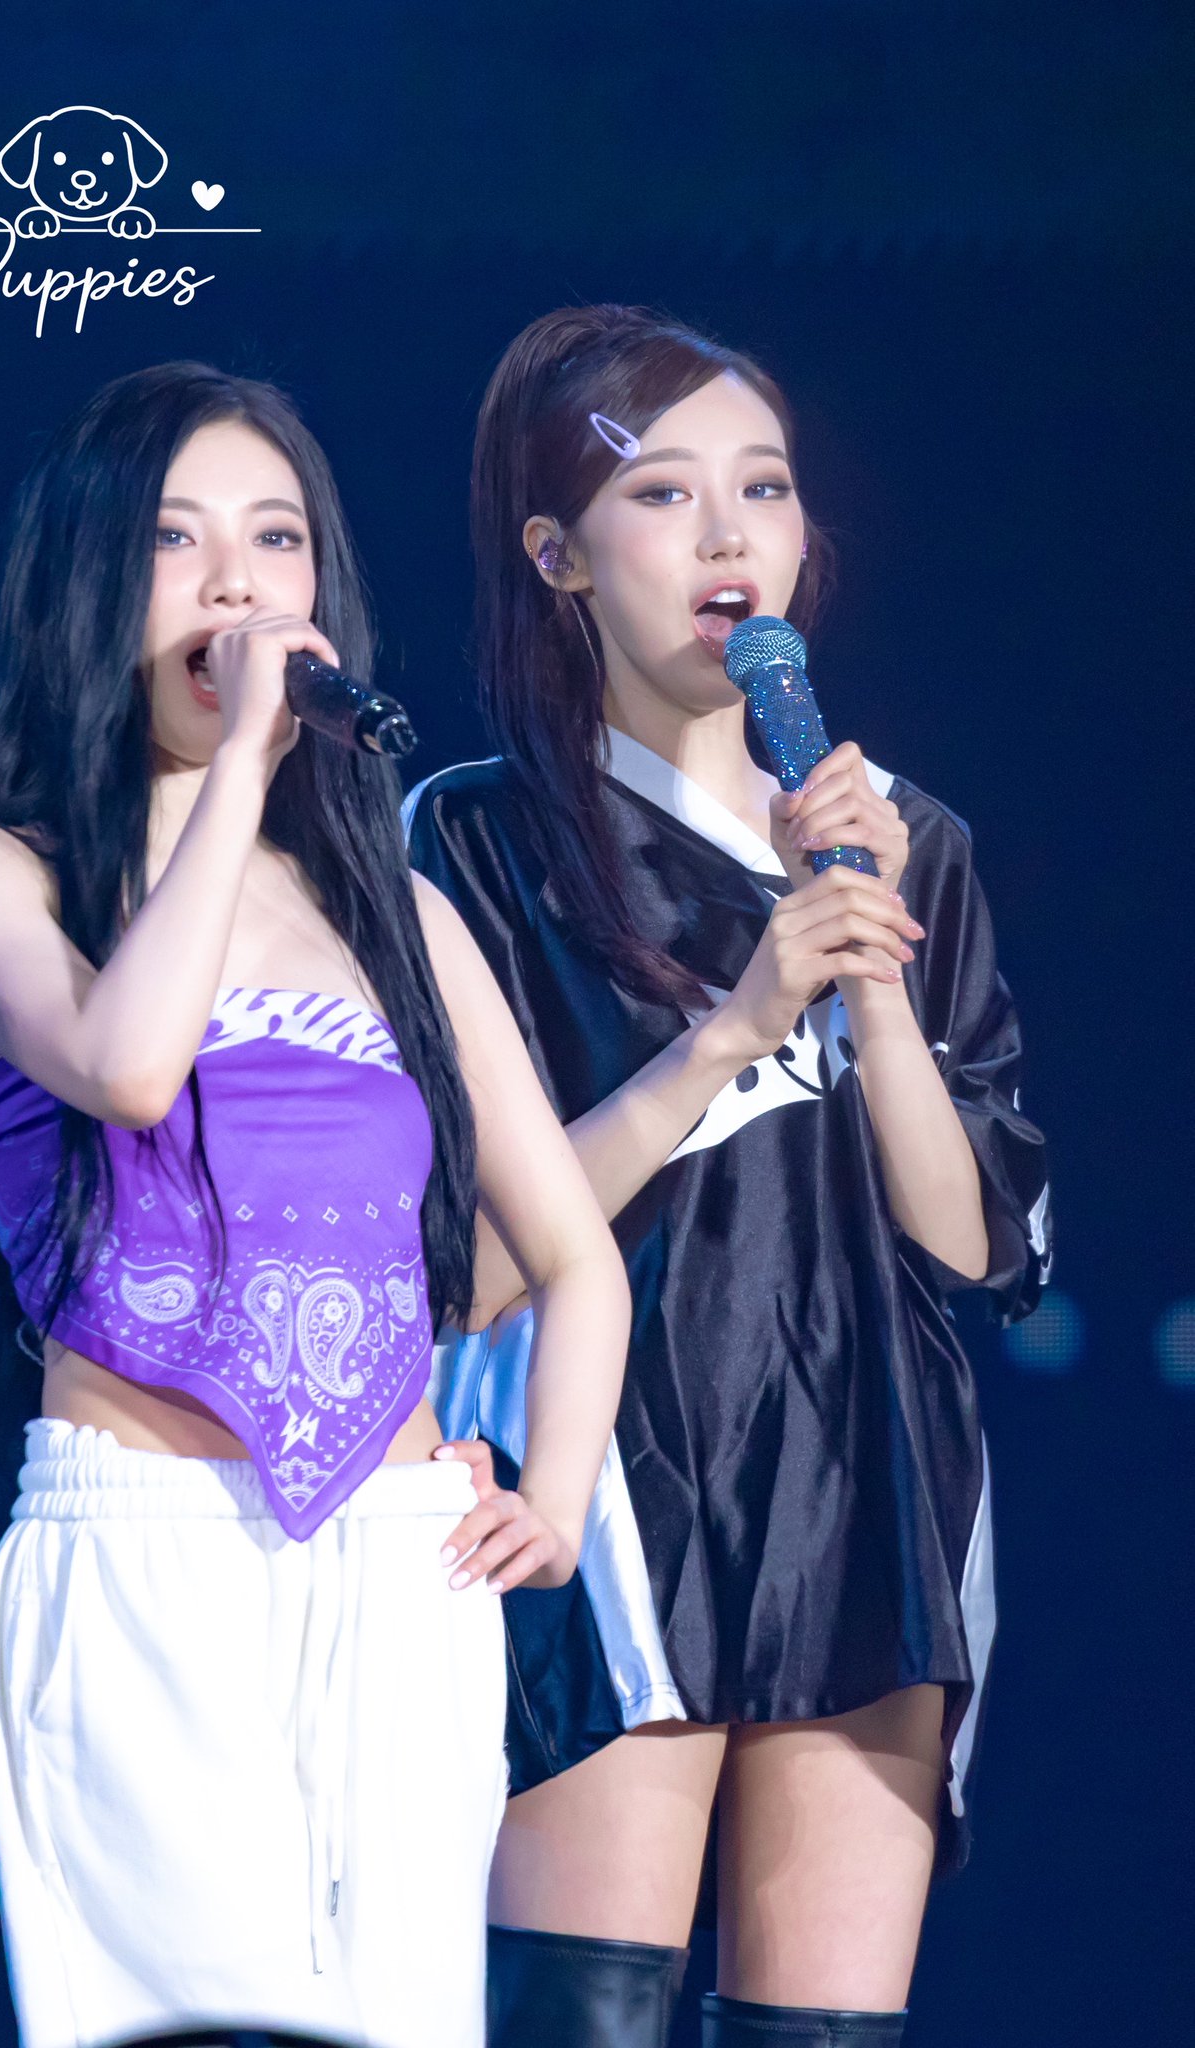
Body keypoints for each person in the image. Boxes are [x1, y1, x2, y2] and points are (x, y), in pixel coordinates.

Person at [0, 360, 629, 2048]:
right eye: (178, 539)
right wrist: (237, 770)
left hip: (402, 1558)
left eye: (277, 538)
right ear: (84, 578)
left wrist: (556, 1498)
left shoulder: (396, 916)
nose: (238, 584)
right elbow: (126, 1065)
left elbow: (572, 1259)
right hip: (143, 1540)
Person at [404, 306, 1051, 2048]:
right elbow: (454, 1265)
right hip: (606, 1489)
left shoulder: (908, 840)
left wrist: (868, 971)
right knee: (578, 2019)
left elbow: (973, 1249)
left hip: (867, 1489)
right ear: (555, 554)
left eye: (760, 488)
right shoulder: (470, 839)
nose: (726, 536)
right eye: (663, 492)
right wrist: (732, 1027)